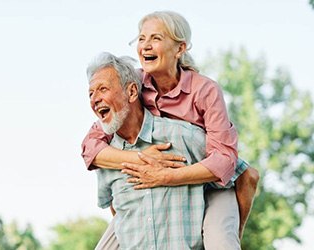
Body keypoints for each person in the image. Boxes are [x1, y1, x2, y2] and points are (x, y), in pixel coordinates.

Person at [82, 11, 259, 249]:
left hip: (209, 184)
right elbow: (91, 146)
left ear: (180, 48)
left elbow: (225, 161)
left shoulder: (204, 90)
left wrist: (166, 176)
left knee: (221, 240)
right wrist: (142, 159)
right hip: (154, 185)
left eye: (155, 38)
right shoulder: (134, 84)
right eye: (141, 38)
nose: (145, 46)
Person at [88, 51, 209, 249]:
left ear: (132, 92)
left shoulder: (182, 137)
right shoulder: (105, 158)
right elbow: (117, 212)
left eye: (102, 89)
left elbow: (233, 172)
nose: (95, 99)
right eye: (91, 94)